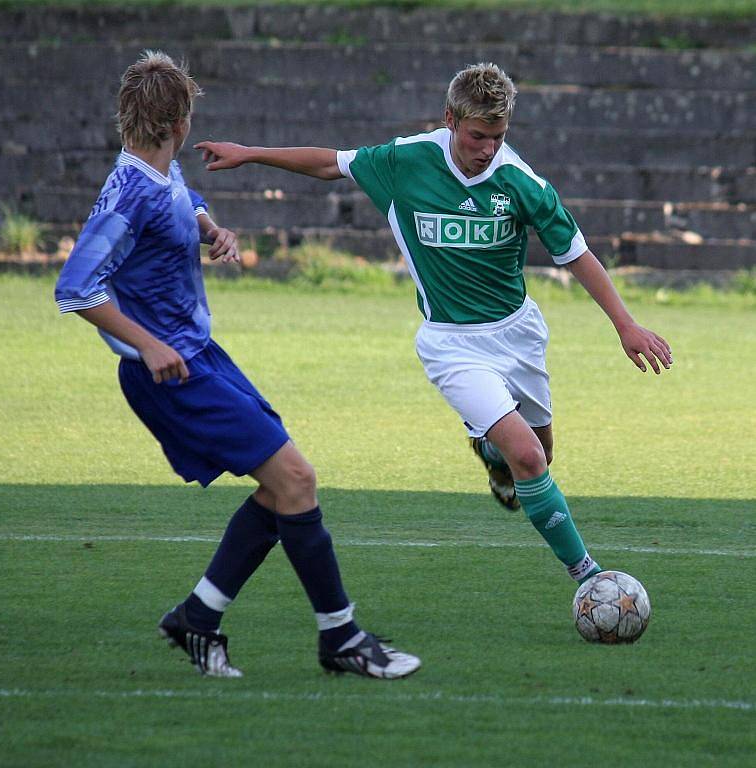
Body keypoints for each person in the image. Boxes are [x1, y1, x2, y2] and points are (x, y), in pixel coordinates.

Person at [195, 62, 673, 587]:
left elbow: (576, 254)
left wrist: (625, 325)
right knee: (530, 458)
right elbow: (332, 164)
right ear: (449, 120)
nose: (488, 148)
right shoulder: (406, 161)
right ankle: (590, 576)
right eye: (477, 136)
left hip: (517, 335)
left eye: (498, 137)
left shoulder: (522, 182)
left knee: (539, 454)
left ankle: (492, 453)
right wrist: (251, 154)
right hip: (451, 344)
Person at [54, 51, 420, 680]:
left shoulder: (154, 173)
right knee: (296, 480)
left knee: (284, 489)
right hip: (171, 372)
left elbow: (179, 195)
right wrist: (147, 343)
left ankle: (197, 618)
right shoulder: (134, 191)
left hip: (201, 356)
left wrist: (207, 224)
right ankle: (342, 638)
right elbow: (76, 285)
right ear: (182, 124)